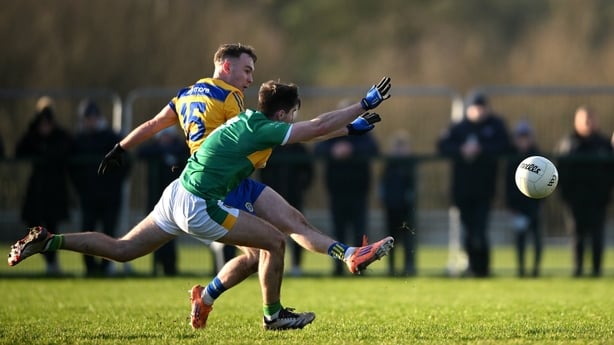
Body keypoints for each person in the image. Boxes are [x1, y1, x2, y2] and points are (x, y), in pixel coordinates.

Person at [9, 78, 395, 331]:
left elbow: (308, 131)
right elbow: (313, 127)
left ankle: (51, 240)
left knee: (123, 249)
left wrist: (348, 128)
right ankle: (273, 315)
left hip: (178, 191)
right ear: (282, 114)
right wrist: (362, 104)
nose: (295, 120)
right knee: (275, 242)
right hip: (200, 203)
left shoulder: (250, 121)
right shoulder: (260, 125)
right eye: (292, 114)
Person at [89, 43, 391, 306]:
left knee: (287, 227)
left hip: (212, 178)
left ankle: (349, 255)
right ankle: (265, 312)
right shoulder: (230, 97)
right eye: (247, 70)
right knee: (268, 245)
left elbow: (154, 124)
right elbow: (294, 131)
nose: (250, 78)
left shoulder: (185, 94)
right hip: (218, 183)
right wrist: (357, 111)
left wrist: (120, 146)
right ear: (226, 66)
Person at [437, 93, 511, 277]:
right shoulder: (459, 127)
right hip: (462, 189)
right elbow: (442, 145)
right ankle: (472, 267)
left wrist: (482, 150)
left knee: (480, 229)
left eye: (482, 107)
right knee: (469, 230)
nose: (479, 111)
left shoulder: (495, 125)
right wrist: (461, 150)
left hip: (485, 188)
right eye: (475, 108)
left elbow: (505, 145)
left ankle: (483, 269)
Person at [315, 100, 380, 276]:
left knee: (360, 230)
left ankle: (362, 265)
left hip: (359, 189)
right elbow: (318, 147)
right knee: (338, 230)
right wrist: (333, 151)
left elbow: (373, 149)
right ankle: (338, 268)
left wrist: (352, 149)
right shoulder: (331, 131)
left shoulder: (364, 130)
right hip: (336, 189)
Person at [14, 97, 74, 275]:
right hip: (37, 190)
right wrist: (33, 129)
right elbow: (19, 151)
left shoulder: (61, 137)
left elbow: (67, 148)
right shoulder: (33, 137)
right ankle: (48, 260)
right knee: (33, 225)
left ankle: (52, 263)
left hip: (55, 189)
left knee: (52, 228)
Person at [70, 99, 129, 276]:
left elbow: (126, 164)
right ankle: (89, 268)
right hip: (88, 195)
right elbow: (73, 169)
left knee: (108, 231)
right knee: (87, 229)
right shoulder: (78, 141)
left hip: (110, 195)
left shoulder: (111, 138)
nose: (91, 121)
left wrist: (114, 182)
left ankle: (105, 267)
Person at [555, 106, 614, 277]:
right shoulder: (567, 143)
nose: (588, 122)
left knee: (597, 235)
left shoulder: (604, 144)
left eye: (590, 119)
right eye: (584, 119)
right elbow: (560, 171)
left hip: (599, 198)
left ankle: (596, 270)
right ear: (576, 121)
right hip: (575, 199)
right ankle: (578, 269)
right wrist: (565, 194)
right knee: (577, 235)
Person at [137, 126, 189, 276]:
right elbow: (141, 152)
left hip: (176, 201)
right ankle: (156, 267)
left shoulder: (180, 148)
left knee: (170, 236)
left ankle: (170, 267)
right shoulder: (154, 149)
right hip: (155, 199)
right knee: (155, 235)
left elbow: (184, 149)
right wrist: (164, 152)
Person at [260, 142, 314, 276]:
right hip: (271, 200)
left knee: (297, 229)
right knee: (270, 233)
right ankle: (270, 267)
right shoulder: (270, 147)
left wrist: (300, 187)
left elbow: (308, 171)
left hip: (294, 197)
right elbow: (263, 172)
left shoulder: (299, 148)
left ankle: (296, 266)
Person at [504, 120, 543, 277]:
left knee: (537, 238)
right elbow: (507, 184)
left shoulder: (539, 158)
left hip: (534, 205)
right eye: (520, 137)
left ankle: (535, 270)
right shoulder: (512, 158)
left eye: (526, 137)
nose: (523, 141)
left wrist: (540, 203)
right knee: (520, 239)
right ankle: (521, 270)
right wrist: (511, 205)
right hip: (518, 206)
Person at [379, 129, 417, 276]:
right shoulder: (389, 164)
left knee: (408, 239)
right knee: (390, 239)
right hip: (391, 206)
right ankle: (391, 268)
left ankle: (408, 267)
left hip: (407, 207)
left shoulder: (410, 165)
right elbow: (382, 183)